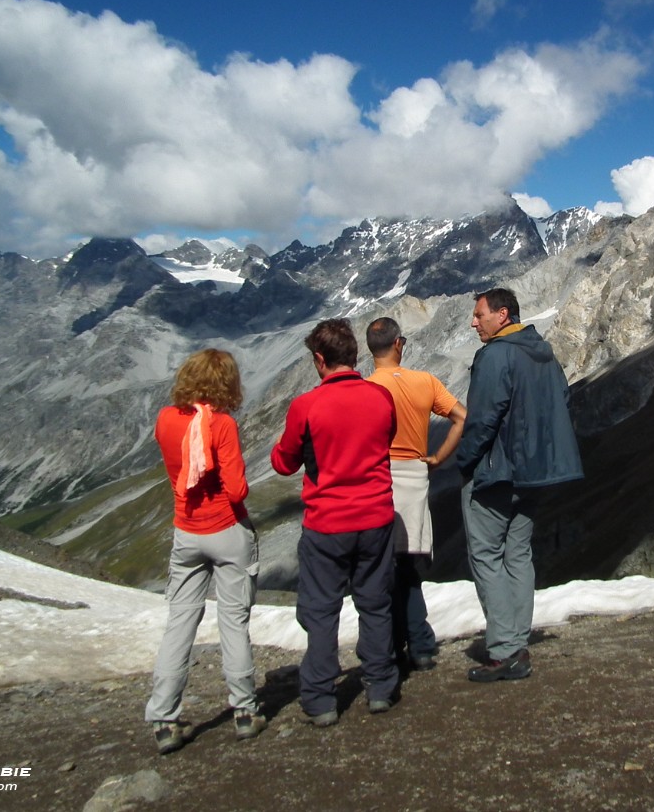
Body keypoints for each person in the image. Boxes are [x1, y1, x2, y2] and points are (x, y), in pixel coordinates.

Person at [271, 318, 399, 725]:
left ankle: (321, 699)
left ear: (319, 360)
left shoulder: (306, 406)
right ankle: (380, 687)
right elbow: (386, 437)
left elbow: (284, 462)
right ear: (355, 356)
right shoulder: (380, 398)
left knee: (321, 611)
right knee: (375, 604)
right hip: (377, 517)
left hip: (327, 524)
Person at [455, 287, 583, 682]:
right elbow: (561, 399)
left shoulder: (496, 355)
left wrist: (464, 462)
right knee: (518, 554)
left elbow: (482, 418)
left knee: (487, 556)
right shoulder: (542, 351)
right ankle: (517, 644)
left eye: (479, 315)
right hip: (533, 474)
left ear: (502, 314)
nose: (474, 323)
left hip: (495, 473)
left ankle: (505, 651)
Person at [146, 348, 263, 754]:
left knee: (180, 623)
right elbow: (236, 491)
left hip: (186, 531)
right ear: (227, 384)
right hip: (227, 530)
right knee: (233, 621)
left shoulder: (165, 419)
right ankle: (245, 711)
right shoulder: (222, 424)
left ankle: (164, 718)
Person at [364, 316, 467, 673]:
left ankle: (392, 646)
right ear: (399, 344)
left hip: (377, 478)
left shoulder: (366, 389)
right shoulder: (425, 381)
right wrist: (438, 458)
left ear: (370, 349)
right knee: (409, 565)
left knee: (381, 568)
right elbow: (461, 418)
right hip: (415, 475)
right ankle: (421, 645)